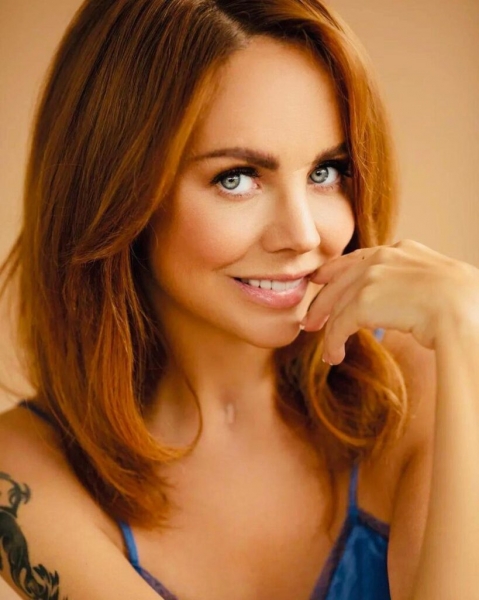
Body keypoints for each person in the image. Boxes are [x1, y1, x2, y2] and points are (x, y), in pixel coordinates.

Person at [0, 0, 478, 598]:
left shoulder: (425, 385)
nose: (303, 235)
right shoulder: (23, 470)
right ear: (118, 192)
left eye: (327, 171)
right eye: (237, 178)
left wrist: (466, 336)